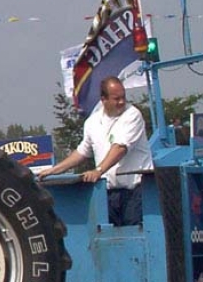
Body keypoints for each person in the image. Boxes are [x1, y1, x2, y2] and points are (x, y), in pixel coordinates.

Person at [37, 76, 153, 226]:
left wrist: (98, 170)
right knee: (108, 234)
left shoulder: (132, 115)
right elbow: (82, 152)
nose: (121, 102)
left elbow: (120, 148)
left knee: (136, 232)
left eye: (123, 97)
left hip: (136, 192)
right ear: (103, 99)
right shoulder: (92, 122)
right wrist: (54, 170)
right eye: (116, 99)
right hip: (107, 193)